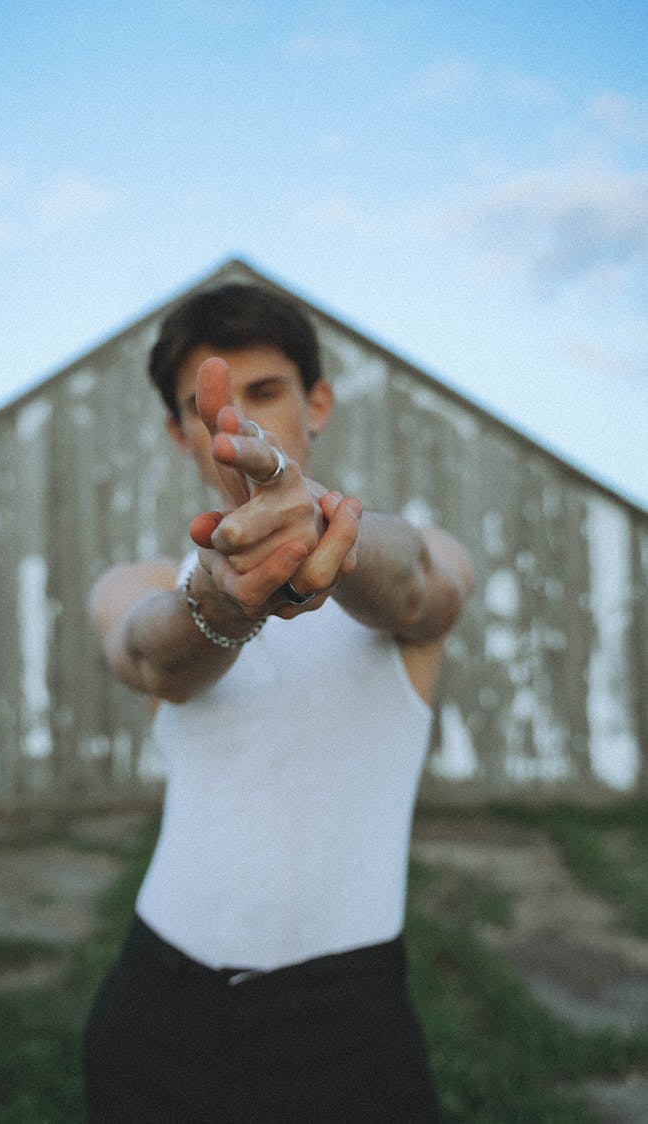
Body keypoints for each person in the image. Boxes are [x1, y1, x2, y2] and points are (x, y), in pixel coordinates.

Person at [83, 283, 474, 1122]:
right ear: (178, 431)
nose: (243, 425)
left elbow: (418, 587)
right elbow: (151, 657)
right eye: (211, 406)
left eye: (267, 394)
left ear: (317, 402)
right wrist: (221, 605)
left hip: (349, 1024)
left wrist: (327, 529)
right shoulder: (144, 584)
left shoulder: (410, 554)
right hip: (157, 1005)